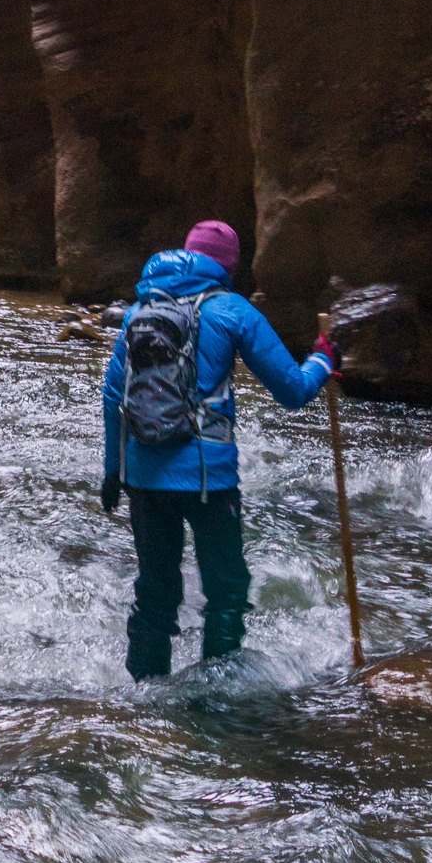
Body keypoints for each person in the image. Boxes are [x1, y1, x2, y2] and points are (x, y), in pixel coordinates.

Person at [100, 219, 338, 677]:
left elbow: (113, 397)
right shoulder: (232, 310)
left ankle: (143, 700)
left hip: (144, 478)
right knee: (227, 589)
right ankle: (216, 691)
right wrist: (324, 360)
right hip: (209, 479)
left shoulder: (138, 312)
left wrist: (114, 471)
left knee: (155, 593)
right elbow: (291, 391)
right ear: (227, 265)